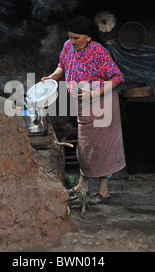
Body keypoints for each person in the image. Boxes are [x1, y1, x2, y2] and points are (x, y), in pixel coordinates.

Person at [42, 15, 126, 205]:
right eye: (70, 36)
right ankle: (83, 185)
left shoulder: (98, 51)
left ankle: (103, 191)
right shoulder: (67, 47)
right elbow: (61, 66)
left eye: (76, 38)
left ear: (88, 37)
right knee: (85, 146)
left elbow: (117, 78)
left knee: (101, 146)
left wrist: (94, 94)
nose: (72, 41)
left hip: (102, 101)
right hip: (83, 103)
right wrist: (51, 77)